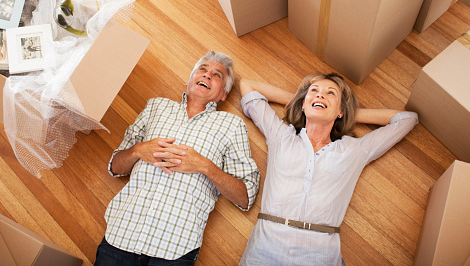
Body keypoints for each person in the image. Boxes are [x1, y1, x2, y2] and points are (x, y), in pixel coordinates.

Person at [95, 50, 260, 266]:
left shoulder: (231, 125)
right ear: (189, 80)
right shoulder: (156, 106)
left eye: (217, 75)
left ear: (223, 95)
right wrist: (138, 150)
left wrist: (205, 166)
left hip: (175, 248)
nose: (207, 75)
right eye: (202, 70)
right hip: (121, 236)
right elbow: (115, 167)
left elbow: (245, 198)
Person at [238, 72, 418, 265]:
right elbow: (247, 86)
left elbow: (407, 119)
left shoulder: (354, 150)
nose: (320, 95)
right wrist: (306, 103)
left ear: (341, 111)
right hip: (266, 246)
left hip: (319, 252)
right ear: (303, 104)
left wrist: (343, 113)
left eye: (330, 93)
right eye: (314, 91)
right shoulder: (281, 136)